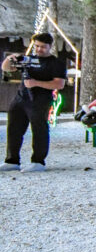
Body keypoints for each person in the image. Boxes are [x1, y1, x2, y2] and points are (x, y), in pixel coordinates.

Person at [2, 32, 67, 173]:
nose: (39, 49)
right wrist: (10, 58)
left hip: (40, 100)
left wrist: (36, 83)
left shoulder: (56, 63)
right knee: (13, 128)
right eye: (37, 46)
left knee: (39, 130)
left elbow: (59, 84)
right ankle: (12, 160)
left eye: (43, 47)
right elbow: (6, 68)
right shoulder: (28, 59)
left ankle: (38, 161)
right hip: (21, 98)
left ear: (50, 46)